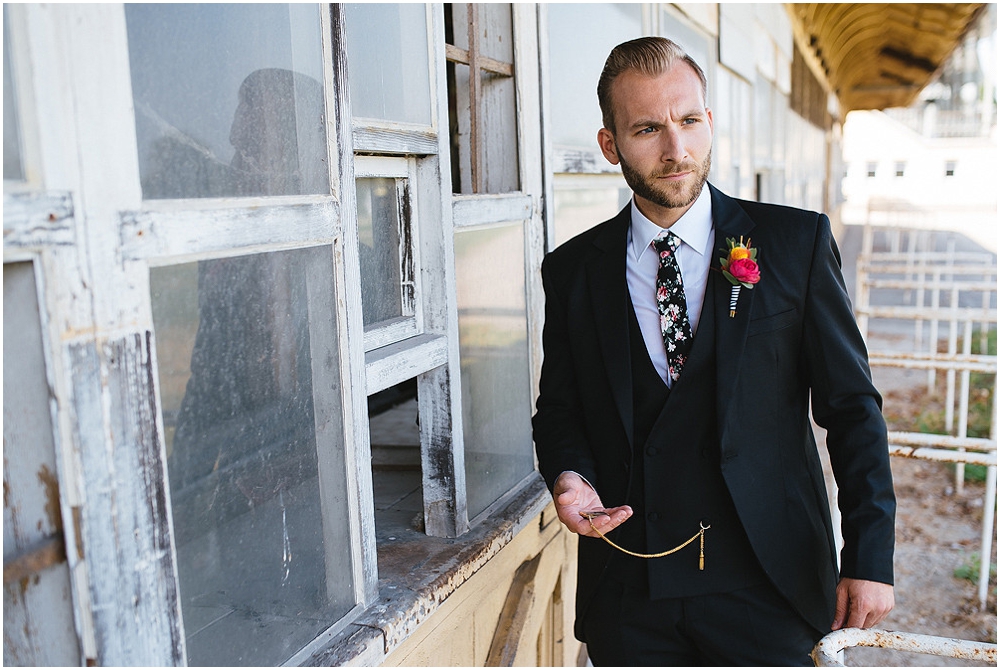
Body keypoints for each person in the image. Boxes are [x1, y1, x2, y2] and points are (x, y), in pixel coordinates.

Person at [532, 36, 895, 666]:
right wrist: (568, 475)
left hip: (770, 582)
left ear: (709, 121)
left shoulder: (793, 242)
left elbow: (852, 406)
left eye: (690, 121)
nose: (676, 150)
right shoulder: (572, 271)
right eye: (647, 129)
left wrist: (870, 556)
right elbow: (559, 410)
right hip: (630, 593)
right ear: (610, 145)